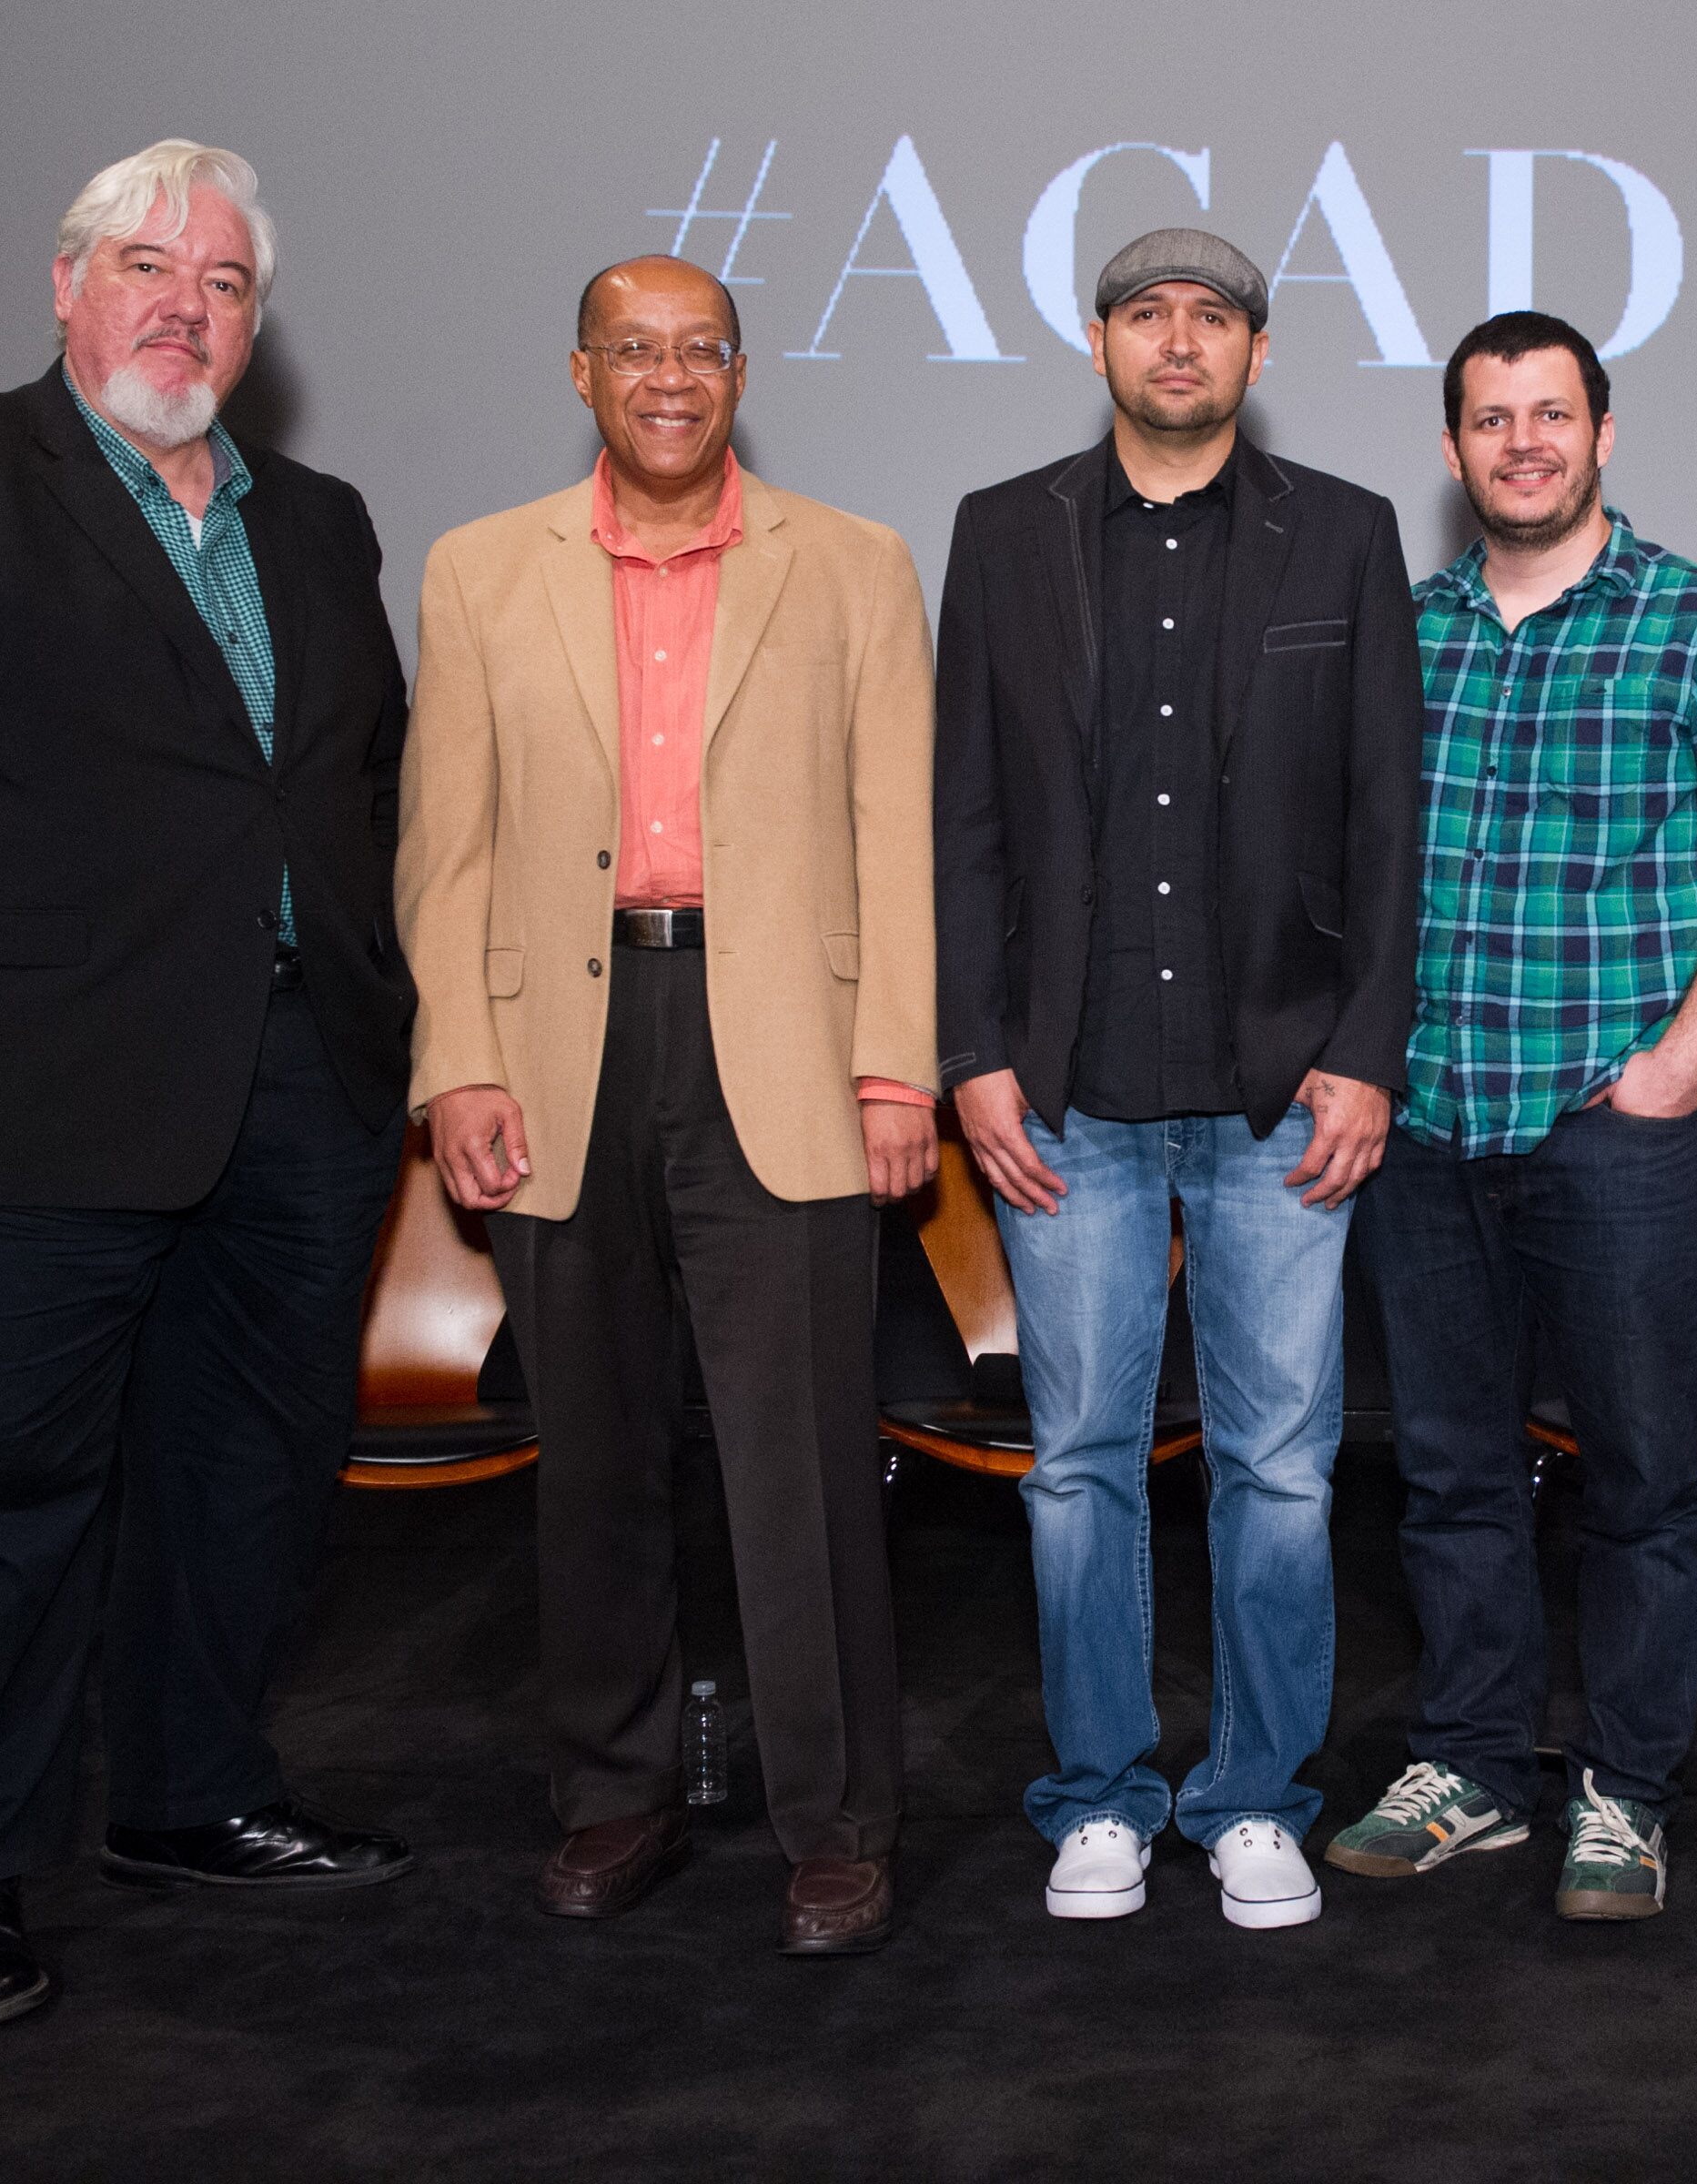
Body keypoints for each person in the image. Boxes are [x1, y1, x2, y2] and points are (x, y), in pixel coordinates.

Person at [0, 141, 419, 2027]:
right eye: (145, 266)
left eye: (222, 282)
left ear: (256, 323)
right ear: (66, 285)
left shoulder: (318, 518)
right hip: (17, 1090)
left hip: (297, 1081)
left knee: (248, 1472)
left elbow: (355, 784)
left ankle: (194, 1795)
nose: (181, 308)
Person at [397, 255, 938, 1955]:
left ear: (741, 375)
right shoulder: (481, 569)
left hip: (784, 1041)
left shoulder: (855, 564)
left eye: (701, 348)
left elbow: (898, 837)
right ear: (583, 375)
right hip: (557, 1040)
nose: (670, 376)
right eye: (634, 348)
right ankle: (612, 1794)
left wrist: (895, 1065)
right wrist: (458, 1061)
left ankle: (837, 1823)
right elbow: (444, 845)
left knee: (802, 1463)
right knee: (595, 1452)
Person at [934, 230, 1424, 1930]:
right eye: (1147, 314)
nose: (1179, 340)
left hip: (1281, 1088)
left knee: (1280, 1468)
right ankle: (1099, 1793)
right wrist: (973, 1054)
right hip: (1064, 1092)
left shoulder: (1346, 533)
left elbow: (1388, 818)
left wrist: (1365, 1053)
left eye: (1212, 317)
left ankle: (1257, 1797)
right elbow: (965, 818)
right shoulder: (1002, 532)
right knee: (1077, 1461)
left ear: (1255, 353)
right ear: (1100, 344)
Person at [1329, 310, 1697, 1923]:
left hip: (1618, 1125)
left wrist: (1681, 1063)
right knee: (1449, 1473)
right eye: (1492, 418)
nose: (1522, 443)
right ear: (1452, 447)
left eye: (1552, 415)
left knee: (1640, 1480)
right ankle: (1472, 1766)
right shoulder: (1404, 632)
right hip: (1429, 1121)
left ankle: (1624, 1790)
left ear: (1604, 435)